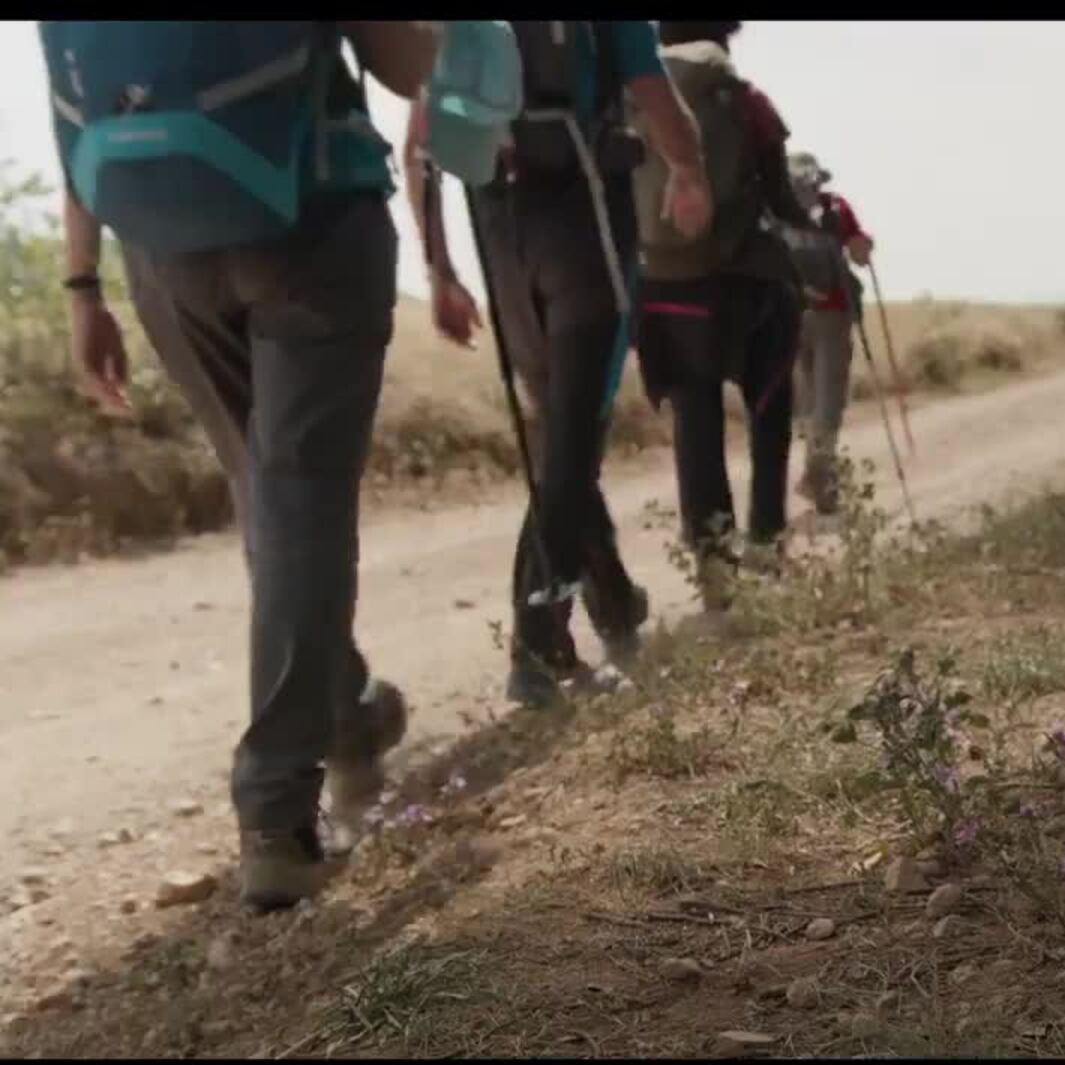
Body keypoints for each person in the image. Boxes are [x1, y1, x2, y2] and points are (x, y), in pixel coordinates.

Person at [45, 21, 441, 910]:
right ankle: (275, 812)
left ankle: (347, 714)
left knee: (270, 500)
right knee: (297, 499)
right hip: (311, 219)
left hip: (159, 246)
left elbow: (74, 107)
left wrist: (82, 286)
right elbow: (409, 66)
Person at [405, 20, 712, 707]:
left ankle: (615, 602)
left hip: (497, 227)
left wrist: (440, 268)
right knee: (575, 433)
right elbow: (655, 96)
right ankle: (538, 646)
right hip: (583, 219)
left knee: (562, 432)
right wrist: (689, 171)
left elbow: (422, 142)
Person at [631, 21, 814, 613]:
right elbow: (781, 197)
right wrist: (813, 236)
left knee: (695, 419)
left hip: (662, 286)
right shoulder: (745, 99)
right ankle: (768, 541)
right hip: (744, 278)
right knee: (770, 407)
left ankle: (714, 567)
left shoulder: (630, 99)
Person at [782, 152, 876, 515]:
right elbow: (859, 255)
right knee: (829, 401)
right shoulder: (835, 207)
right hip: (831, 315)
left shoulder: (773, 208)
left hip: (788, 313)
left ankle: (815, 473)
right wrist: (863, 245)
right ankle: (819, 479)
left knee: (807, 401)